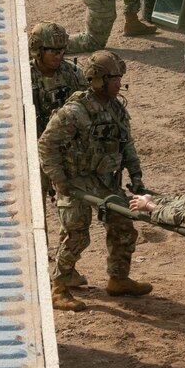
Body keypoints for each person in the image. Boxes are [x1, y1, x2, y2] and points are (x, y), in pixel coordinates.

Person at [38, 50, 152, 312]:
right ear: (97, 79)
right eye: (113, 78)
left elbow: (127, 145)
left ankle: (118, 279)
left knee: (124, 225)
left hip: (105, 180)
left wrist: (136, 176)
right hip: (75, 180)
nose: (118, 83)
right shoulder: (75, 111)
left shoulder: (116, 108)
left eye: (120, 78)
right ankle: (59, 287)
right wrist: (59, 180)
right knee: (77, 233)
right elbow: (46, 145)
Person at [29, 22, 89, 238]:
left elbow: (87, 107)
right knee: (33, 209)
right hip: (33, 149)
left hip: (66, 151)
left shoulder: (72, 73)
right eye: (53, 51)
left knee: (74, 217)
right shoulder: (25, 77)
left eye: (62, 50)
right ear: (38, 50)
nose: (58, 55)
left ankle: (65, 266)